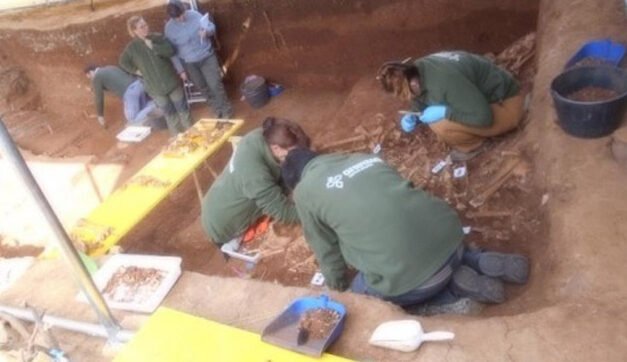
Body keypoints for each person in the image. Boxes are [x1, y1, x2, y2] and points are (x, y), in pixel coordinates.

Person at [281, 147, 529, 307]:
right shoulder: (365, 158)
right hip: (453, 241)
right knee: (414, 241)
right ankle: (474, 260)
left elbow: (326, 250)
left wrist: (337, 289)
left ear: (296, 184)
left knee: (361, 296)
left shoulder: (304, 192)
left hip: (418, 281)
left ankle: (450, 293)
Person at [377, 51, 524, 161]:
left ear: (412, 83)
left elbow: (484, 118)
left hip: (509, 105)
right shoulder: (419, 68)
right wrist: (414, 114)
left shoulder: (444, 81)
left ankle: (474, 146)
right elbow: (421, 96)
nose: (406, 98)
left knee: (439, 124)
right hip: (489, 95)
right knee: (437, 116)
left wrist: (445, 112)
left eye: (405, 94)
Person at [201, 117, 309, 251]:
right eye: (294, 153)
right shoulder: (254, 175)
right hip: (222, 225)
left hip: (220, 197)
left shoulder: (263, 135)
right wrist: (314, 215)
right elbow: (282, 211)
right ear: (276, 148)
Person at [120, 15, 192, 135]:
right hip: (155, 89)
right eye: (141, 27)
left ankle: (192, 134)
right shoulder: (132, 48)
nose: (145, 28)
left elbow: (170, 51)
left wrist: (153, 46)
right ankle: (178, 139)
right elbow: (123, 62)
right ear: (134, 31)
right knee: (170, 115)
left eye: (145, 25)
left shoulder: (158, 38)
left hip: (172, 83)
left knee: (183, 110)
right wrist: (136, 71)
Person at [165, 0, 233, 119]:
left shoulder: (195, 15)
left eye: (182, 15)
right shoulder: (169, 29)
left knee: (215, 84)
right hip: (189, 63)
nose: (181, 19)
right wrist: (180, 70)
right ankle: (216, 109)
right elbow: (172, 53)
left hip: (206, 56)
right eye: (177, 18)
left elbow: (211, 27)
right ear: (172, 17)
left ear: (184, 10)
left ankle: (226, 110)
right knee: (202, 87)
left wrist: (206, 32)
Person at [84, 64, 163, 128]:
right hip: (138, 85)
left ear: (91, 72)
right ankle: (154, 105)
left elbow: (99, 98)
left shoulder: (97, 77)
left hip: (130, 93)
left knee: (132, 119)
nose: (90, 78)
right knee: (142, 107)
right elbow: (115, 80)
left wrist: (100, 115)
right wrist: (93, 88)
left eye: (89, 76)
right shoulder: (110, 67)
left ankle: (156, 105)